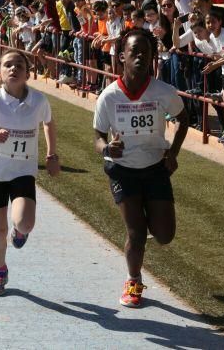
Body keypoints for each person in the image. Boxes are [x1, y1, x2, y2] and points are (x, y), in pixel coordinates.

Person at [93, 28, 188, 308]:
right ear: (122, 56)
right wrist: (107, 149)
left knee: (165, 235)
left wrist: (173, 153)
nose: (140, 57)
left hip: (155, 169)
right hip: (122, 170)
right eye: (134, 52)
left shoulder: (162, 92)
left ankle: (146, 220)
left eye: (146, 53)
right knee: (135, 233)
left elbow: (184, 118)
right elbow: (98, 137)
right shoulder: (109, 96)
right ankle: (133, 280)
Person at [0, 49, 60, 296]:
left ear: (27, 73)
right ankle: (0, 270)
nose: (14, 69)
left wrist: (52, 155)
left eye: (19, 65)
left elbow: (49, 123)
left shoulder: (39, 101)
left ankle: (19, 231)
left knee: (25, 222)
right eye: (8, 65)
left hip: (23, 170)